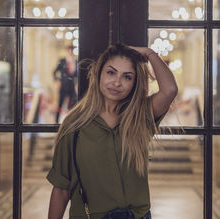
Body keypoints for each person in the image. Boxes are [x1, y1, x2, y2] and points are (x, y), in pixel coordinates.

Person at [47, 44, 178, 219]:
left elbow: (169, 90)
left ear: (134, 83)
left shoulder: (139, 116)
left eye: (127, 77)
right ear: (98, 73)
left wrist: (149, 53)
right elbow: (61, 188)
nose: (117, 82)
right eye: (111, 72)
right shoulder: (74, 125)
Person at [53, 46, 78, 123]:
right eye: (70, 50)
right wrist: (57, 81)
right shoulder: (62, 60)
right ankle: (56, 122)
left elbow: (77, 74)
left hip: (71, 86)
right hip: (63, 86)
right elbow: (54, 72)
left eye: (72, 50)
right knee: (60, 104)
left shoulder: (76, 61)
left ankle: (72, 121)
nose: (71, 52)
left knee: (74, 104)